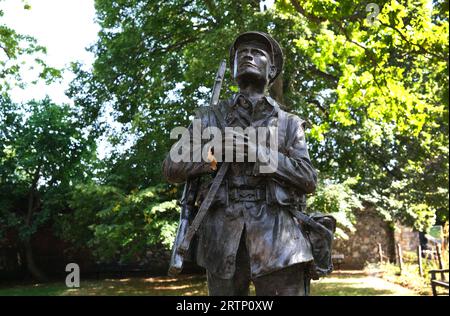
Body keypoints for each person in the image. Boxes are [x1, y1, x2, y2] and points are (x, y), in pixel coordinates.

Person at [163, 31, 318, 296]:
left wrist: (259, 153)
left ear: (271, 70)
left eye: (258, 53)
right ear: (233, 67)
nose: (247, 55)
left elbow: (307, 178)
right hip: (222, 239)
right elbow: (171, 168)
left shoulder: (290, 123)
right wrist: (212, 153)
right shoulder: (209, 118)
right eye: (241, 52)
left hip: (280, 241)